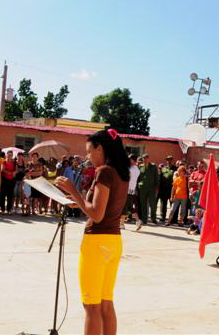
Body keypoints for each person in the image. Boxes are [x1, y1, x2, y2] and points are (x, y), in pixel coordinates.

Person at [55, 129, 129, 335]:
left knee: (91, 306)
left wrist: (74, 191)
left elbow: (96, 215)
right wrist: (78, 202)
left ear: (100, 148)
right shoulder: (121, 173)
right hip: (113, 241)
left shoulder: (104, 171)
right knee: (105, 304)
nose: (87, 157)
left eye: (89, 152)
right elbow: (104, 207)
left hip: (97, 242)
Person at [137, 153, 159, 225]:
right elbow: (138, 178)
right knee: (143, 205)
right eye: (144, 158)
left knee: (153, 205)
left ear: (148, 158)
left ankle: (153, 218)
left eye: (146, 158)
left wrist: (157, 188)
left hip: (151, 188)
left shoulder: (153, 167)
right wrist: (138, 186)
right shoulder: (140, 166)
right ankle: (144, 219)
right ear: (142, 159)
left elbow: (157, 177)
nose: (145, 159)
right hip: (143, 189)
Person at [122, 155, 140, 231]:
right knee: (129, 207)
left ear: (133, 160)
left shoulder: (130, 169)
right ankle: (138, 221)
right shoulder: (137, 169)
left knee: (125, 207)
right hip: (132, 190)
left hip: (127, 189)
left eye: (130, 159)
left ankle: (121, 224)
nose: (128, 161)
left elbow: (126, 178)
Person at [158, 156, 176, 222]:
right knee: (163, 204)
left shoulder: (175, 168)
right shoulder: (164, 168)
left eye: (170, 160)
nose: (169, 161)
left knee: (172, 205)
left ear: (172, 160)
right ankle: (163, 217)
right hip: (164, 189)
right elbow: (161, 179)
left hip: (172, 189)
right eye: (168, 160)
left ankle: (172, 219)